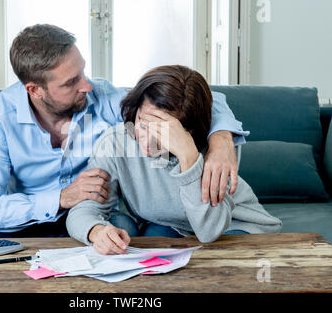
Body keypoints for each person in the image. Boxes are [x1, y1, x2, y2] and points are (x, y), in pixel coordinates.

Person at [0, 24, 249, 239]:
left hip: (95, 217)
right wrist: (61, 198)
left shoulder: (98, 97)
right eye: (70, 82)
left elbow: (179, 95)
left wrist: (220, 140)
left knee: (125, 235)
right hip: (25, 224)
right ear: (34, 90)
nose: (86, 85)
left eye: (82, 71)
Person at [66, 65, 283, 255]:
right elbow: (83, 210)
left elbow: (209, 232)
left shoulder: (215, 154)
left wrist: (189, 158)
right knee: (150, 238)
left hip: (232, 226)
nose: (147, 139)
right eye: (143, 121)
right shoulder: (115, 141)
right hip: (177, 225)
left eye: (161, 130)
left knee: (218, 264)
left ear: (188, 130)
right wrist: (95, 231)